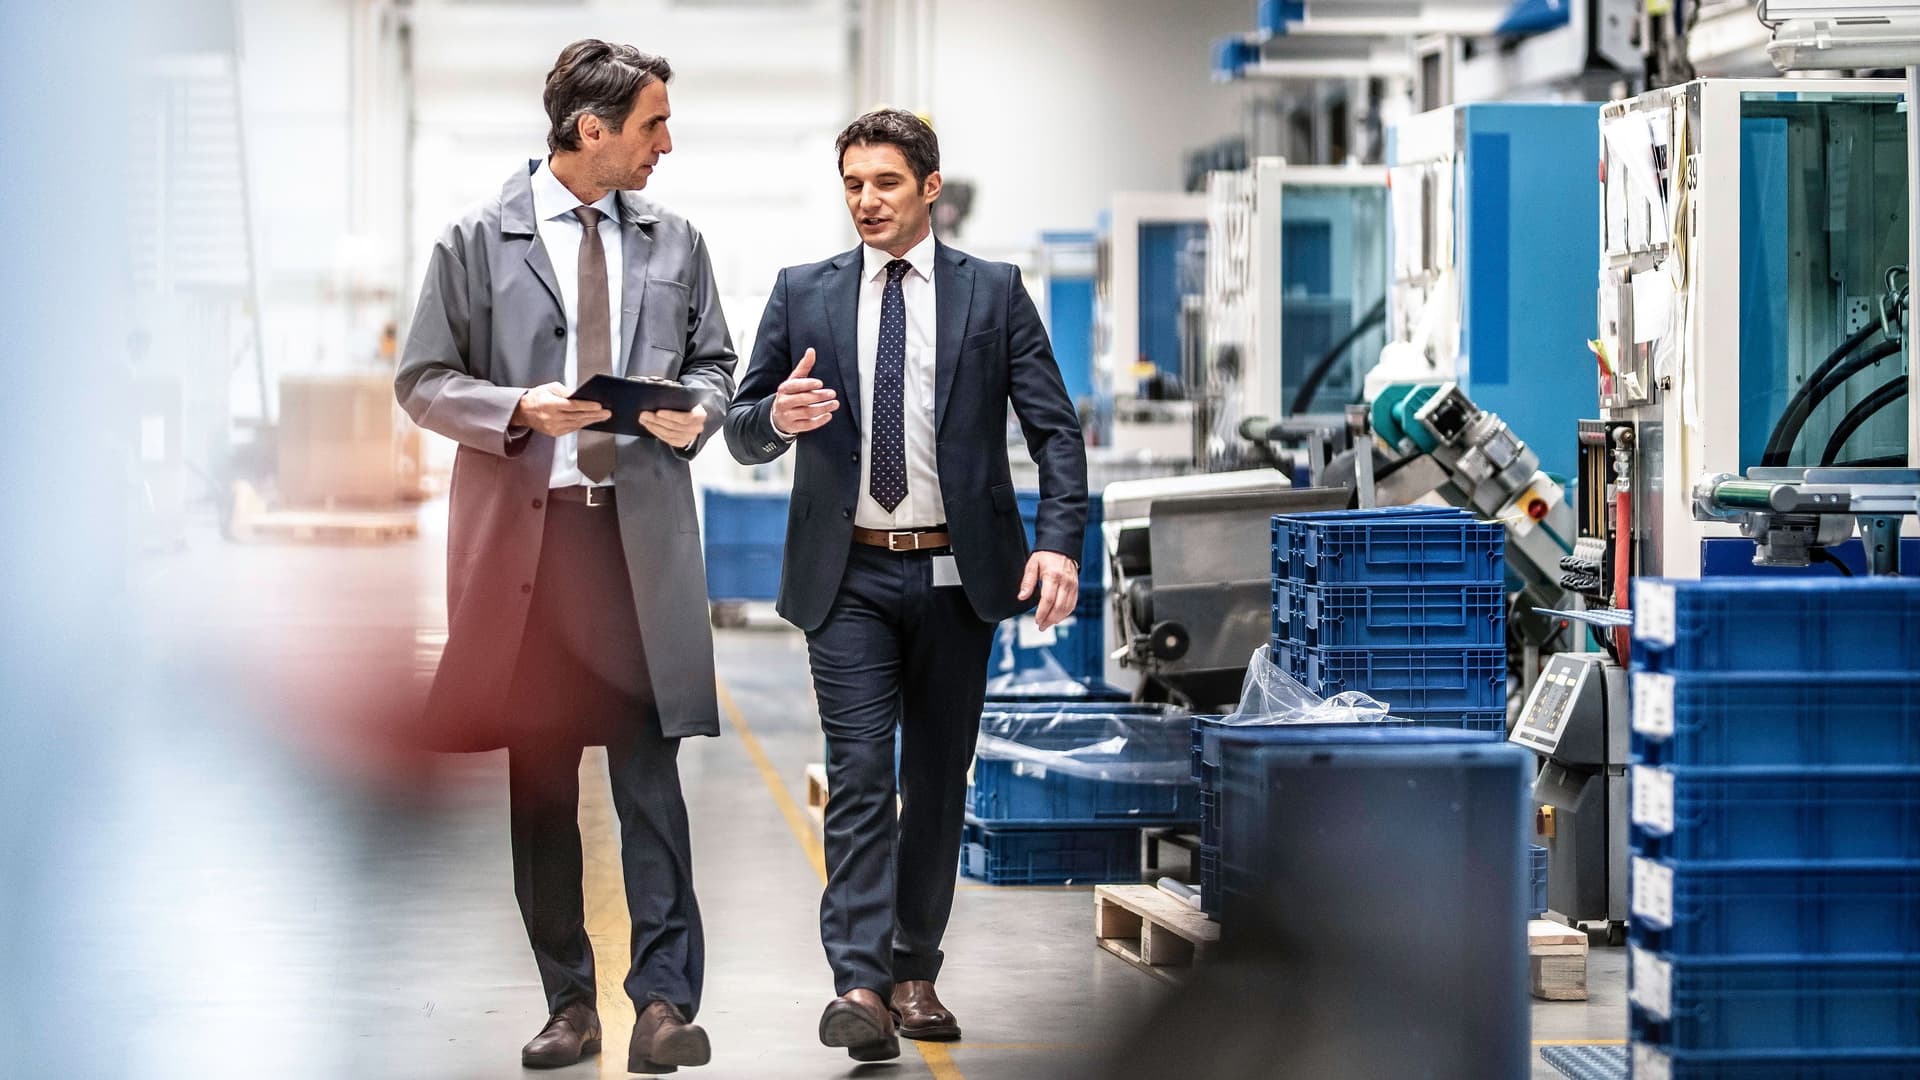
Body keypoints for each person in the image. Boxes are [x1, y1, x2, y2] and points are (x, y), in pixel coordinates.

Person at [394, 39, 732, 1074]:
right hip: (531, 550)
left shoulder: (676, 242)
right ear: (593, 131)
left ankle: (666, 1005)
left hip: (636, 547)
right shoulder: (473, 241)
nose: (666, 143)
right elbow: (421, 380)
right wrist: (516, 408)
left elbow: (717, 362)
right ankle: (569, 1004)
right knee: (540, 784)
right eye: (652, 125)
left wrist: (699, 414)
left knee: (649, 780)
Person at [723, 108, 1088, 1061]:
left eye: (884, 182)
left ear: (929, 186)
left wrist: (1058, 543)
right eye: (851, 184)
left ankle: (914, 970)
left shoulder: (994, 293)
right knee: (857, 775)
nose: (865, 201)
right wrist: (777, 418)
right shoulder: (803, 292)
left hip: (959, 579)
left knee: (935, 780)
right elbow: (742, 424)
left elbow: (1054, 429)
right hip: (845, 577)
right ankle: (858, 983)